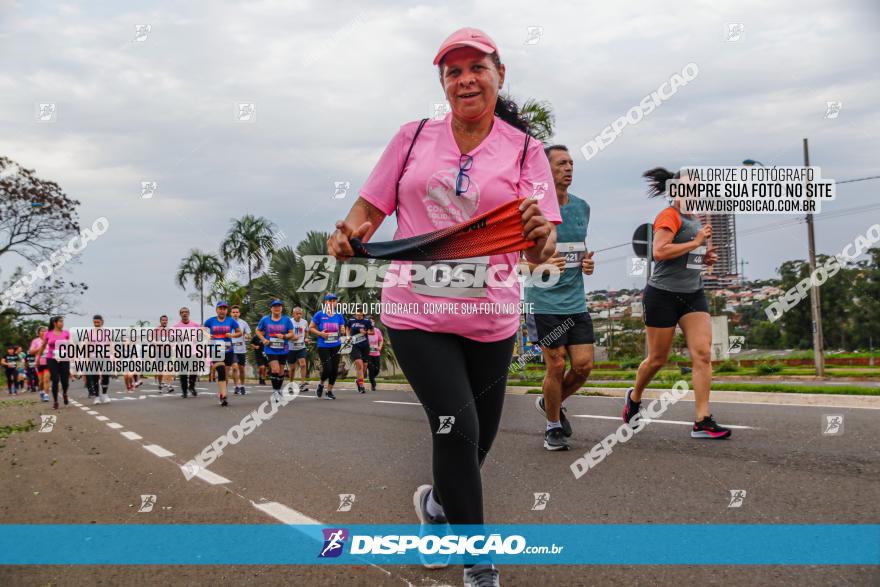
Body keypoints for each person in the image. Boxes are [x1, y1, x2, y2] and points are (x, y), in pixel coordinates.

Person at [326, 27, 559, 584]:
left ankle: (436, 508)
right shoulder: (412, 138)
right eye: (453, 72)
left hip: (491, 318)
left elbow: (542, 243)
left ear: (499, 76)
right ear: (443, 84)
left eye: (476, 67)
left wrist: (538, 235)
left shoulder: (526, 150)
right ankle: (480, 564)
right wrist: (348, 236)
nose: (465, 79)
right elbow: (366, 212)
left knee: (478, 438)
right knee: (456, 429)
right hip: (415, 313)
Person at [622, 167, 731, 439]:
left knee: (703, 355)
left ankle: (702, 421)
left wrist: (705, 259)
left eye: (695, 188)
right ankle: (634, 399)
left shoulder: (694, 219)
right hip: (662, 295)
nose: (691, 192)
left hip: (693, 294)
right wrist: (695, 242)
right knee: (657, 359)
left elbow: (689, 257)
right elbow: (659, 251)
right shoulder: (668, 216)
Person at [524, 145, 596, 451]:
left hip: (575, 302)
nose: (568, 168)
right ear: (546, 169)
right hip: (543, 302)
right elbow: (513, 264)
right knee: (555, 365)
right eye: (561, 163)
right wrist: (541, 266)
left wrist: (587, 264)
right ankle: (553, 426)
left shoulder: (582, 208)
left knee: (583, 367)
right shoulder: (533, 210)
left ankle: (549, 401)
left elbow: (579, 250)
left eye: (571, 163)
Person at [203, 301, 242, 406]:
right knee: (220, 371)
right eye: (220, 308)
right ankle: (224, 396)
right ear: (216, 310)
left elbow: (239, 332)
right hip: (215, 349)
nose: (222, 310)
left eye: (224, 308)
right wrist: (207, 335)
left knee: (224, 374)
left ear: (226, 310)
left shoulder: (231, 321)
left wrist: (232, 335)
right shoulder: (210, 321)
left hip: (228, 350)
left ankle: (221, 393)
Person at [256, 300, 295, 403]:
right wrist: (263, 339)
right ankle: (274, 391)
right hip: (270, 348)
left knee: (281, 371)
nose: (277, 308)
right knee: (275, 370)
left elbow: (292, 333)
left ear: (281, 308)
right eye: (274, 306)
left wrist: (284, 336)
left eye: (279, 306)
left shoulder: (286, 320)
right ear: (271, 308)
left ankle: (278, 390)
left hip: (283, 348)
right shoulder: (265, 319)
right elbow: (257, 330)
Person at [309, 294, 346, 400]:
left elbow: (342, 328)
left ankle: (329, 391)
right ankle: (321, 384)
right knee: (328, 368)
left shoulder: (339, 315)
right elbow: (311, 327)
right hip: (323, 345)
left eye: (334, 301)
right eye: (330, 300)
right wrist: (320, 334)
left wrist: (342, 330)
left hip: (336, 345)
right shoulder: (319, 314)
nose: (333, 302)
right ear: (326, 302)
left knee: (335, 369)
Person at [39, 316, 71, 409]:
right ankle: (56, 401)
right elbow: (43, 346)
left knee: (65, 381)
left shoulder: (66, 333)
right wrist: (38, 358)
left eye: (62, 321)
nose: (62, 323)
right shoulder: (48, 334)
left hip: (64, 358)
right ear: (55, 323)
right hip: (51, 359)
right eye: (60, 322)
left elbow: (70, 344)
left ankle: (65, 393)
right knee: (55, 379)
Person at [172, 307, 201, 398]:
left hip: (192, 351)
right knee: (183, 373)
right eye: (182, 312)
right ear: (180, 314)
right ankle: (184, 391)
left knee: (194, 371)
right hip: (181, 352)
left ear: (189, 314)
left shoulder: (195, 325)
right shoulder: (176, 327)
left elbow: (201, 334)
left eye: (186, 312)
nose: (184, 313)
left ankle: (191, 386)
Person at [85, 314, 112, 404]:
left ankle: (104, 394)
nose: (96, 323)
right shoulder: (89, 333)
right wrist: (87, 357)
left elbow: (111, 344)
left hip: (105, 356)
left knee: (105, 376)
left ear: (101, 321)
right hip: (93, 357)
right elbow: (87, 345)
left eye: (98, 322)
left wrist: (113, 355)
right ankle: (97, 397)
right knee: (95, 377)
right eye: (95, 322)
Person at [346, 309, 373, 394]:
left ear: (363, 314)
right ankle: (361, 386)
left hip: (365, 346)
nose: (359, 317)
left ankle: (359, 380)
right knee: (359, 363)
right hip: (355, 345)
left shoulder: (367, 321)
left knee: (364, 366)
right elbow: (347, 328)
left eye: (360, 316)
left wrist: (365, 332)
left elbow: (372, 332)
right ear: (355, 313)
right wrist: (348, 336)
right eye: (357, 315)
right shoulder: (351, 320)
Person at [229, 305, 252, 395]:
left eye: (237, 312)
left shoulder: (243, 323)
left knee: (241, 368)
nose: (235, 314)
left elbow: (249, 335)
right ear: (231, 313)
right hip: (231, 349)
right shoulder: (227, 322)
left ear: (239, 313)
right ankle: (236, 386)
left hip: (241, 349)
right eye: (233, 312)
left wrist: (247, 336)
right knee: (234, 367)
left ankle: (242, 385)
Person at [288, 307, 310, 394]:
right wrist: (291, 338)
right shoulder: (289, 322)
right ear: (293, 314)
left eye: (300, 313)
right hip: (291, 348)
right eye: (297, 313)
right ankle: (290, 384)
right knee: (292, 368)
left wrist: (307, 338)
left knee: (303, 364)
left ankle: (302, 384)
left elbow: (307, 331)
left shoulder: (304, 322)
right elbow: (286, 334)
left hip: (301, 347)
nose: (299, 315)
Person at [29, 327, 50, 402]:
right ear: (38, 333)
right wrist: (41, 348)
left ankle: (46, 395)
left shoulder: (50, 340)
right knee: (41, 381)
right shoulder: (35, 341)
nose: (44, 332)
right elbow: (31, 351)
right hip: (39, 363)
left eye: (45, 331)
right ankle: (41, 392)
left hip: (49, 362)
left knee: (46, 379)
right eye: (42, 331)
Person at [366, 324, 384, 392]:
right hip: (368, 354)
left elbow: (381, 340)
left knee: (377, 369)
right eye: (369, 322)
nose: (371, 323)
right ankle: (373, 385)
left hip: (376, 353)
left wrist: (380, 347)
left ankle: (371, 378)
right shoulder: (365, 331)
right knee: (371, 369)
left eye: (372, 321)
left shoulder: (377, 330)